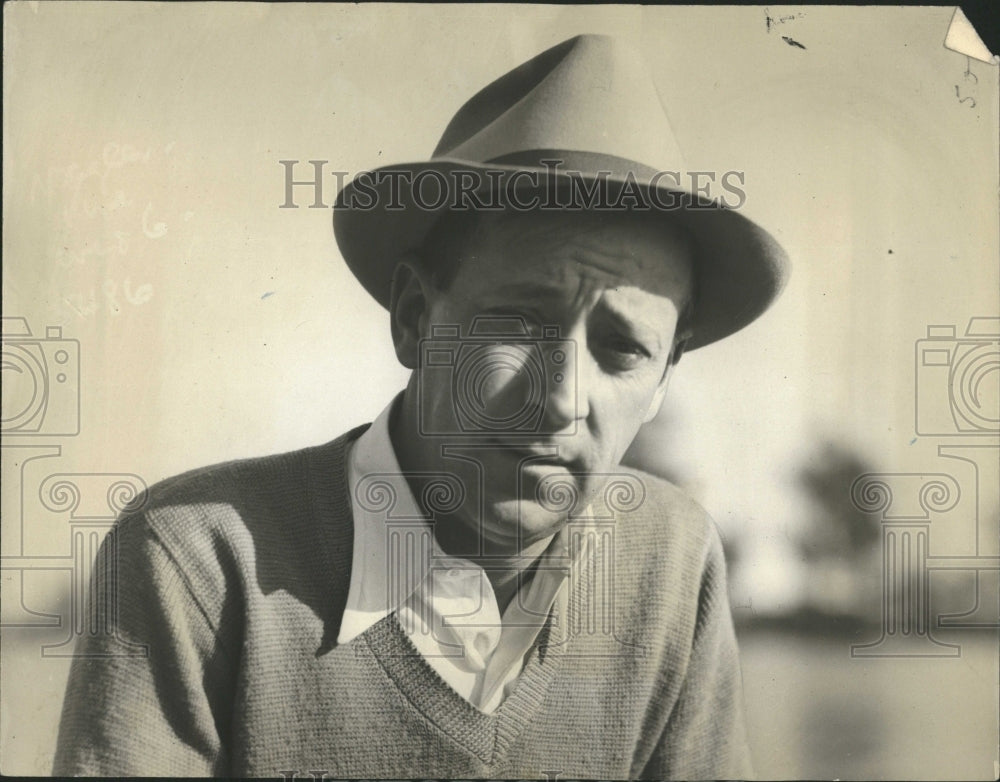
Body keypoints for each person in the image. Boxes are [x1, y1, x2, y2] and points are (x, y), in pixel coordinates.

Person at [53, 34, 788, 779]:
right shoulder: (197, 563)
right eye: (519, 322)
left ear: (664, 379)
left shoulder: (671, 562)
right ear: (413, 317)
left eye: (623, 349)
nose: (561, 398)